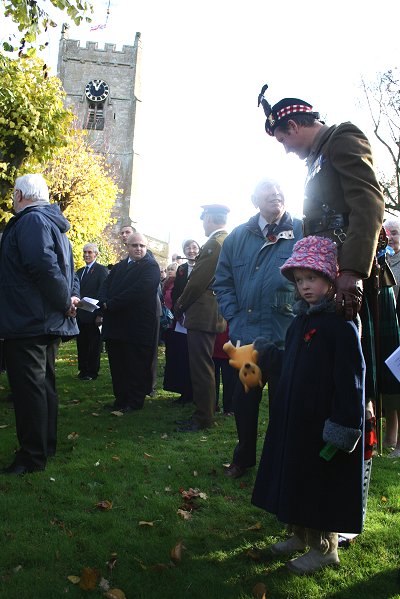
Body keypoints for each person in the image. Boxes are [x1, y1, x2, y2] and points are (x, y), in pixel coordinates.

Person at [251, 236, 365, 575]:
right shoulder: (300, 322)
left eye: (312, 278)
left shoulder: (341, 326)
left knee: (319, 483)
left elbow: (351, 379)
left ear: (330, 279)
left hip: (323, 424)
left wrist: (343, 425)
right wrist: (269, 354)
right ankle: (300, 535)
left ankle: (325, 547)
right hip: (297, 421)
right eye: (299, 280)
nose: (305, 287)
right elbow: (295, 363)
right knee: (297, 476)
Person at [213, 179, 302, 477]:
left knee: (284, 403)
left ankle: (279, 462)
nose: (276, 196)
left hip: (285, 336)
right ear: (255, 200)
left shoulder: (301, 231)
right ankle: (243, 459)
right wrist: (234, 318)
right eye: (269, 193)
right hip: (247, 340)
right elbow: (222, 282)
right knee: (245, 401)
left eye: (280, 192)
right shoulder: (238, 237)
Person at [0, 174, 80, 475]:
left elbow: (45, 267)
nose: (11, 199)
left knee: (30, 390)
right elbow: (67, 270)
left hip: (28, 319)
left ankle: (31, 457)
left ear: (20, 194)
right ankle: (44, 447)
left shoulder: (32, 221)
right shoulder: (52, 223)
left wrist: (65, 301)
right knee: (43, 386)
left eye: (13, 194)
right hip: (39, 319)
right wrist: (70, 299)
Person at [174, 205, 229, 431]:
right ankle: (205, 412)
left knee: (201, 367)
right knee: (205, 366)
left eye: (203, 219)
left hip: (203, 312)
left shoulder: (214, 244)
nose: (202, 224)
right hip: (211, 312)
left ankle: (203, 417)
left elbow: (197, 281)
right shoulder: (225, 240)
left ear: (208, 218)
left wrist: (180, 304)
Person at [99, 232, 160, 413]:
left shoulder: (151, 267)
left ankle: (134, 401)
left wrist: (111, 304)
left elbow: (138, 291)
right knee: (118, 365)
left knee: (136, 365)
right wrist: (103, 301)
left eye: (142, 246)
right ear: (128, 247)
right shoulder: (119, 267)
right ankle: (120, 399)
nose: (138, 249)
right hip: (116, 326)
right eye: (135, 246)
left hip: (137, 327)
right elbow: (105, 285)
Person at [163, 239, 200, 405]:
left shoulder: (204, 266)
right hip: (181, 317)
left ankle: (196, 392)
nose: (191, 251)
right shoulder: (182, 270)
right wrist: (179, 310)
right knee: (182, 355)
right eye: (188, 248)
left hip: (198, 317)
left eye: (194, 247)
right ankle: (184, 392)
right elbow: (178, 291)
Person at [76, 243, 109, 381]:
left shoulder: (101, 270)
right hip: (80, 314)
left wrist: (100, 314)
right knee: (81, 343)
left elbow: (103, 292)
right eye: (84, 252)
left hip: (93, 314)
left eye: (89, 252)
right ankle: (82, 369)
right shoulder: (79, 271)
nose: (86, 255)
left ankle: (92, 371)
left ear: (96, 254)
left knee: (93, 345)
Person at [381, 218, 400, 456]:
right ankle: (389, 437)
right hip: (386, 327)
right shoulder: (382, 259)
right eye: (386, 233)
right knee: (389, 387)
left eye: (394, 232)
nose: (391, 237)